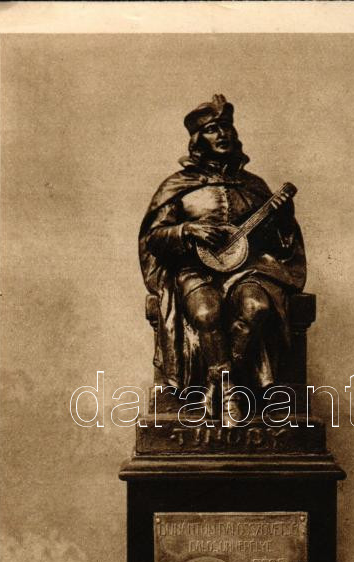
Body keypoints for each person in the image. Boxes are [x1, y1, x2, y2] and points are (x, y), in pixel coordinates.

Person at [139, 94, 306, 423]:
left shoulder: (254, 185)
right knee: (206, 311)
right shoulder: (177, 186)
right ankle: (228, 389)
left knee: (257, 307)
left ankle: (218, 380)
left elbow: (279, 244)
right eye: (213, 129)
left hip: (248, 271)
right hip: (194, 269)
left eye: (227, 127)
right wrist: (188, 230)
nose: (223, 134)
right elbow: (153, 238)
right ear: (198, 139)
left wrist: (284, 218)